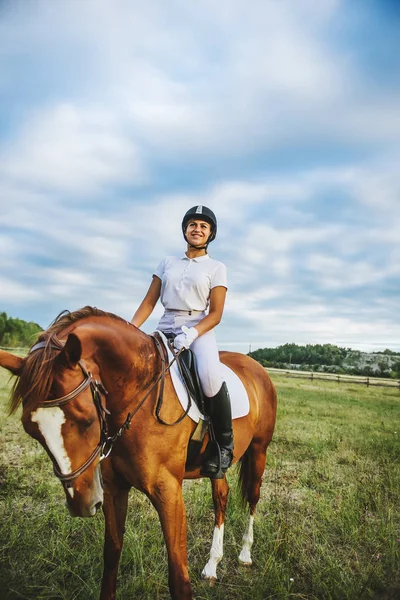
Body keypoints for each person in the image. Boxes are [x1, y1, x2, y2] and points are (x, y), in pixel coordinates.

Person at [131, 205, 233, 478]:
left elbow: (216, 314)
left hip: (199, 328)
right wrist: (130, 329)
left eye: (203, 226)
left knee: (210, 376)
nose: (197, 229)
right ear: (185, 230)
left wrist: (193, 333)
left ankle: (223, 444)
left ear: (210, 234)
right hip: (165, 325)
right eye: (192, 224)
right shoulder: (166, 263)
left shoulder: (216, 267)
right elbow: (149, 302)